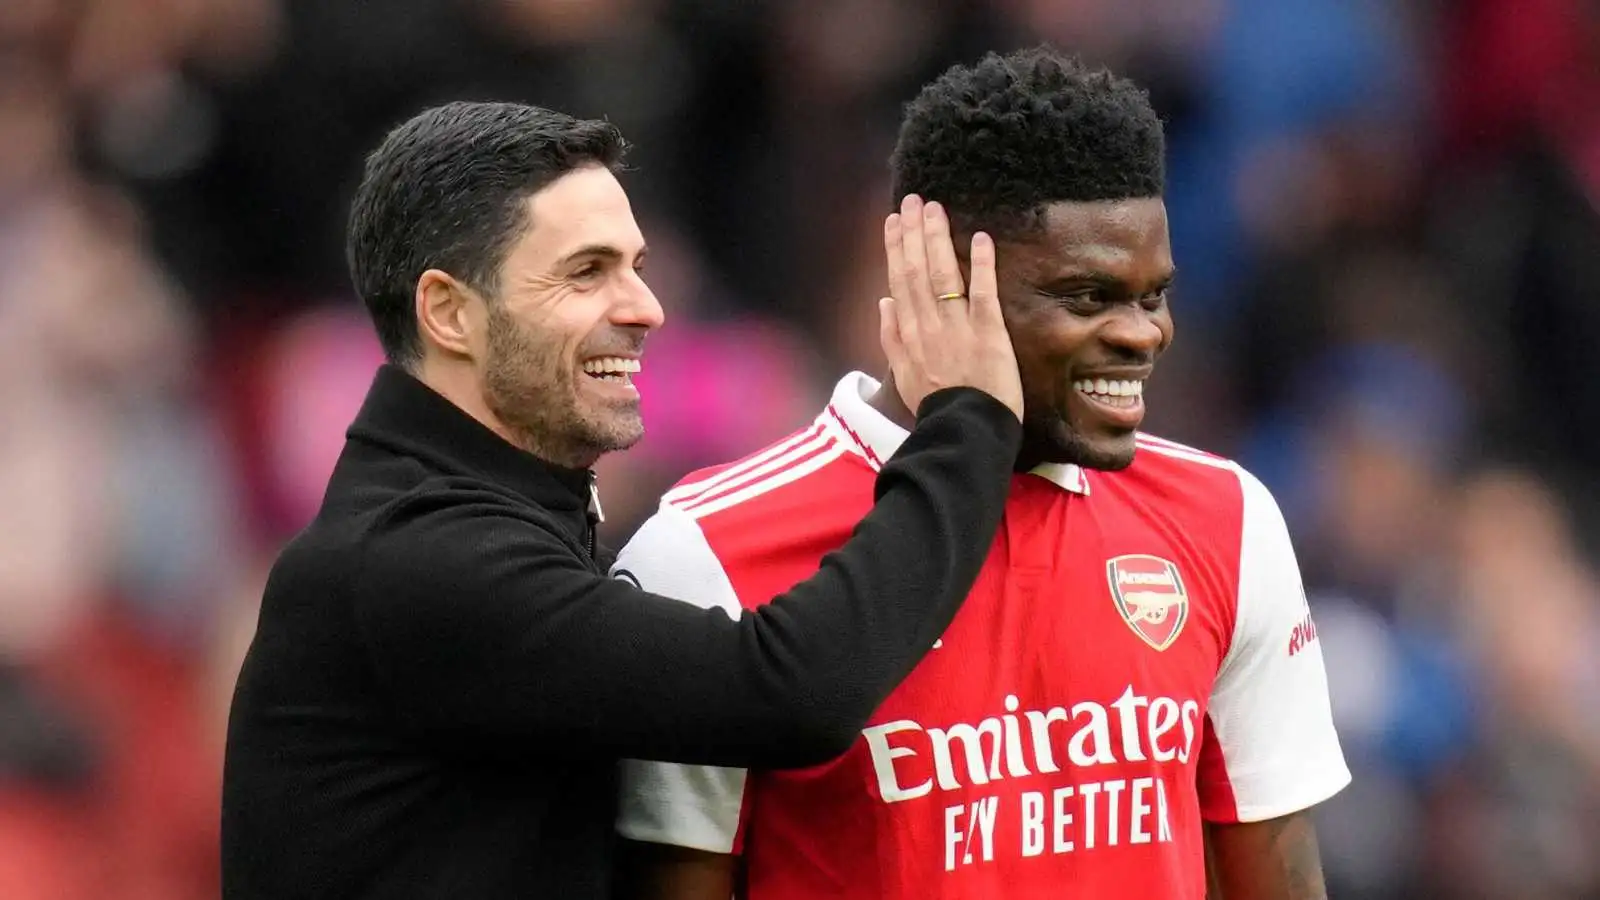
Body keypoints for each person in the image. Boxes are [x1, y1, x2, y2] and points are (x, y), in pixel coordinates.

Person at [220, 100, 1028, 899]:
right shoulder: (415, 558)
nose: (647, 309)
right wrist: (967, 429)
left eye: (636, 266)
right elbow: (793, 692)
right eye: (586, 272)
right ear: (448, 312)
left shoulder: (473, 523)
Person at [613, 47, 1350, 900]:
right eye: (1086, 296)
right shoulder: (703, 558)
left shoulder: (1228, 518)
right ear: (941, 284)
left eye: (1152, 296)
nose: (1143, 334)